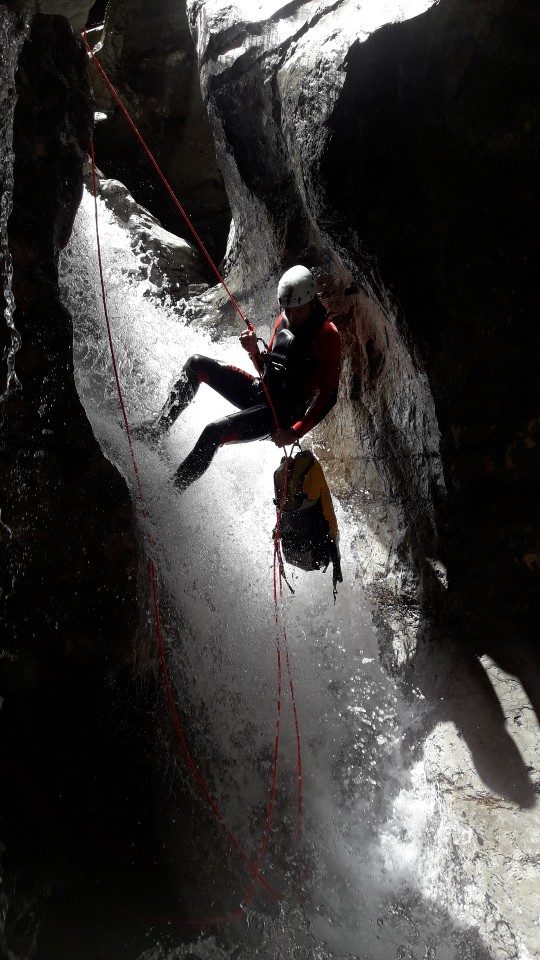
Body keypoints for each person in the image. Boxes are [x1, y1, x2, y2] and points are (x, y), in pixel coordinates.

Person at [134, 265, 341, 492]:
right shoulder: (284, 320)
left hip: (281, 416)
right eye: (288, 309)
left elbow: (329, 394)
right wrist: (254, 351)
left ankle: (171, 491)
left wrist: (294, 433)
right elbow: (269, 370)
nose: (293, 316)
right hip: (263, 392)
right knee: (196, 364)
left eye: (298, 310)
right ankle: (157, 430)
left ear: (312, 301)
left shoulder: (327, 334)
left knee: (213, 432)